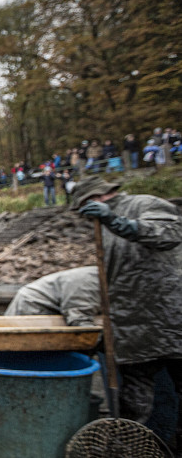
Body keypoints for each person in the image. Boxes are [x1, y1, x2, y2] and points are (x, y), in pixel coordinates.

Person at [71, 176, 182, 453]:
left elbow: (168, 235)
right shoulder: (102, 226)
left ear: (95, 198)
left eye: (84, 207)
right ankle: (142, 449)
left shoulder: (144, 204)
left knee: (173, 394)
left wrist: (117, 221)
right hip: (130, 327)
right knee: (135, 403)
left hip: (170, 320)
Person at [4, 266, 99, 327]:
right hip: (33, 306)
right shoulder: (90, 281)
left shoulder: (103, 280)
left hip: (51, 307)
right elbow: (78, 318)